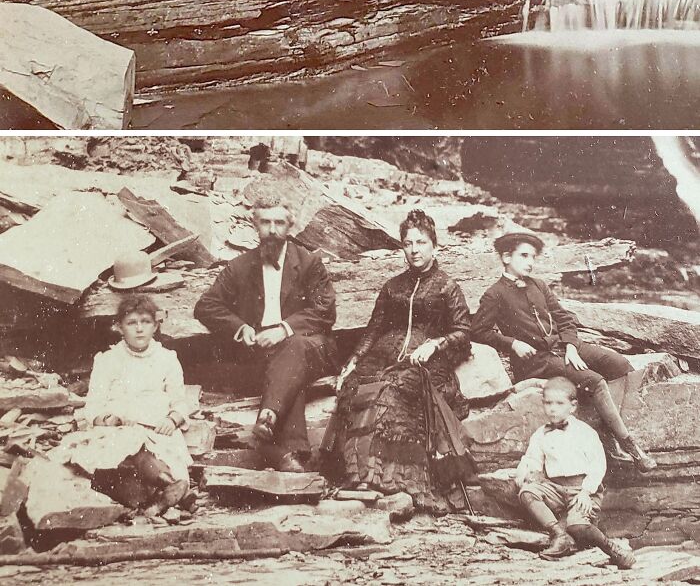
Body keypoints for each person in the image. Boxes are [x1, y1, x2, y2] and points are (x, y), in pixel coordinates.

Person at [470, 231, 656, 472]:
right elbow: (478, 331)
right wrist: (512, 343)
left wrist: (570, 345)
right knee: (595, 381)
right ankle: (629, 445)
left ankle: (608, 433)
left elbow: (564, 318)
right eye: (524, 256)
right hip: (536, 360)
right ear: (506, 257)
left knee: (618, 363)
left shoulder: (539, 285)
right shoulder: (494, 294)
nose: (530, 262)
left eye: (533, 257)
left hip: (562, 346)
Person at [329, 209, 473, 512]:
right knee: (356, 387)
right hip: (384, 355)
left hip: (426, 362)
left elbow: (463, 332)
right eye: (408, 243)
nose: (414, 249)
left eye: (421, 242)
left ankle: (387, 481)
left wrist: (435, 344)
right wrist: (353, 361)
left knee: (391, 391)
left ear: (434, 245)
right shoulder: (392, 286)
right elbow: (373, 330)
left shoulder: (447, 287)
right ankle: (358, 477)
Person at [194, 191, 336, 473]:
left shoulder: (309, 263)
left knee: (292, 349)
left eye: (279, 223)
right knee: (286, 379)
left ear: (290, 226)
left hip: (311, 349)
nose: (272, 231)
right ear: (254, 225)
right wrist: (240, 327)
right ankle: (291, 454)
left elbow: (325, 311)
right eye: (266, 223)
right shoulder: (240, 266)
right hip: (263, 358)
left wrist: (284, 329)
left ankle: (268, 416)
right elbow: (205, 306)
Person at [54, 294, 190, 514]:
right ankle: (168, 493)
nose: (139, 329)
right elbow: (93, 406)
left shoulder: (167, 358)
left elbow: (180, 401)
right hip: (117, 432)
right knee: (112, 457)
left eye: (145, 322)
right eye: (131, 323)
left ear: (155, 326)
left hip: (156, 431)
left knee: (144, 449)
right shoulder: (107, 360)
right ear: (119, 327)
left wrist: (172, 418)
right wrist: (107, 419)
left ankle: (167, 487)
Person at [516, 376, 635, 568]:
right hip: (555, 488)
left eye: (559, 403)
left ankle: (611, 548)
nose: (552, 408)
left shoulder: (584, 432)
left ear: (572, 406)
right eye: (548, 403)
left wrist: (586, 492)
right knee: (527, 492)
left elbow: (598, 465)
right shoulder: (541, 434)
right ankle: (558, 534)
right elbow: (532, 460)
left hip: (582, 490)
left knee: (577, 525)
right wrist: (524, 473)